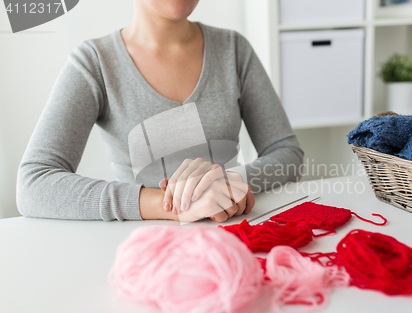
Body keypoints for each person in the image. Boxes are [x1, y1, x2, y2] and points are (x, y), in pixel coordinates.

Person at [16, 0, 303, 222]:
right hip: (143, 248)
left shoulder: (234, 49)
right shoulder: (95, 63)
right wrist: (173, 205)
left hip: (235, 233)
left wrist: (230, 183)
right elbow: (34, 184)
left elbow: (287, 153)